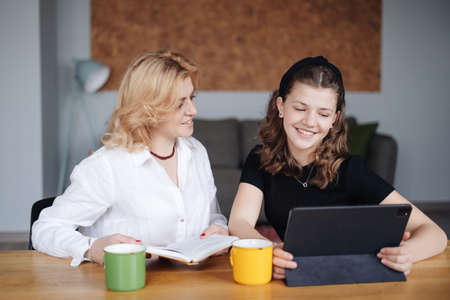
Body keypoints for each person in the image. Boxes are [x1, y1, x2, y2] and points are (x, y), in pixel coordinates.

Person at [228, 56, 447, 279]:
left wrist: (407, 254)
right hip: (295, 277)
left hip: (350, 279)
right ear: (281, 106)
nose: (310, 122)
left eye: (323, 113)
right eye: (300, 108)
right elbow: (239, 221)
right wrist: (269, 251)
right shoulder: (259, 158)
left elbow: (435, 234)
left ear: (335, 118)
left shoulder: (351, 169)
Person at [33, 50, 228, 266]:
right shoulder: (107, 166)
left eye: (192, 98)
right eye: (180, 103)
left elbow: (212, 217)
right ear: (149, 107)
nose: (193, 110)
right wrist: (90, 248)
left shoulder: (196, 152)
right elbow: (45, 229)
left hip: (190, 285)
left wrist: (218, 229)